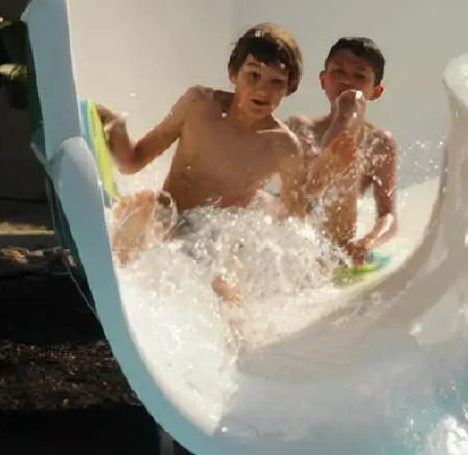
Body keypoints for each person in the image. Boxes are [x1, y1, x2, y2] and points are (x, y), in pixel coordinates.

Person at [94, 24, 315, 271]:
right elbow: (133, 161)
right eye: (253, 75)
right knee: (143, 205)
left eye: (277, 82)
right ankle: (114, 278)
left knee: (228, 282)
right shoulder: (198, 106)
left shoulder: (284, 147)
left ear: (289, 88)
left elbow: (295, 225)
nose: (263, 90)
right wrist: (114, 125)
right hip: (168, 219)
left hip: (215, 240)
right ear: (233, 74)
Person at [289, 36, 399, 267]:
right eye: (338, 72)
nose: (347, 80)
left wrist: (367, 243)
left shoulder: (380, 143)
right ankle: (326, 166)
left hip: (337, 250)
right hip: (296, 243)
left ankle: (331, 158)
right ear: (323, 80)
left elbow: (388, 214)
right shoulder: (300, 128)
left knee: (351, 102)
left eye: (359, 76)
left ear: (376, 91)